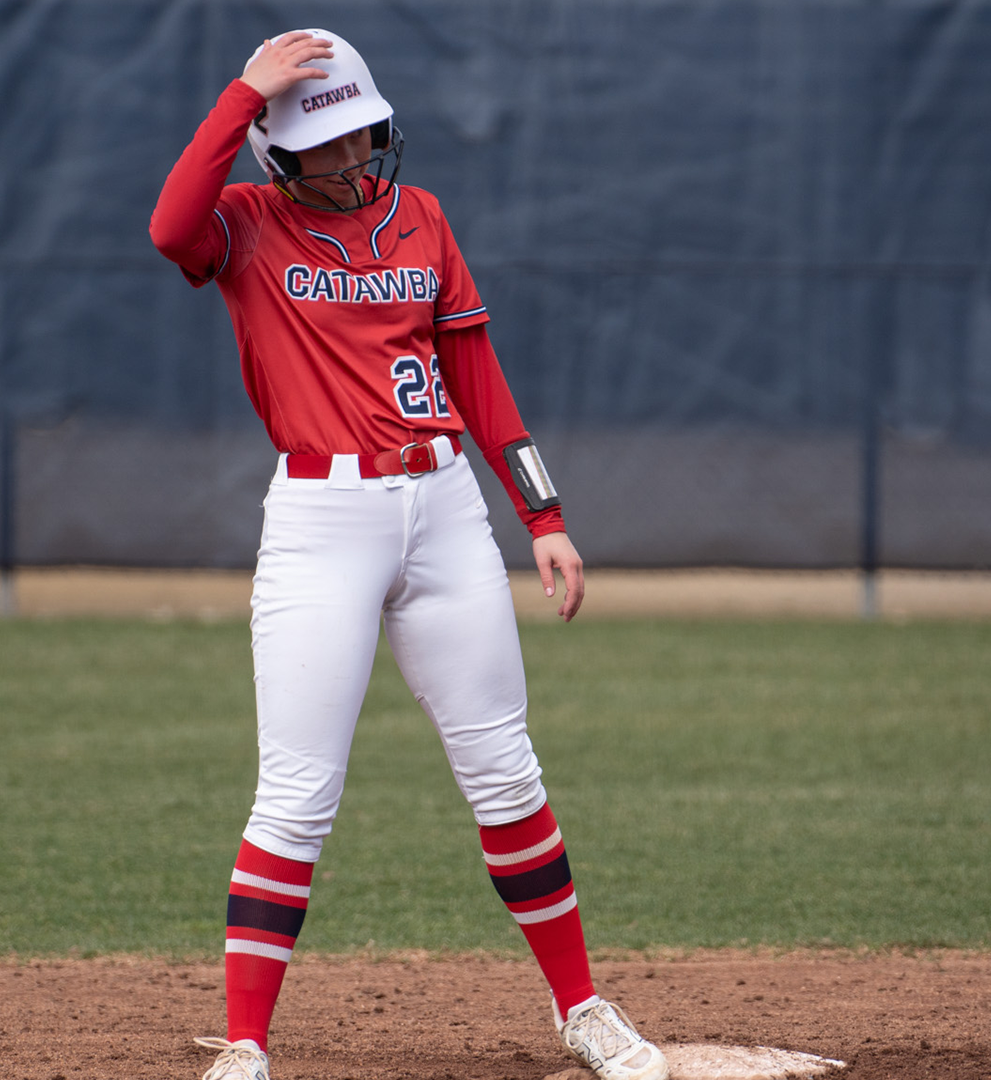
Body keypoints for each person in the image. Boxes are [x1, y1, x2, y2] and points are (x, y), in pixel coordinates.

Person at [150, 29, 668, 1080]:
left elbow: (476, 371)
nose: (348, 159)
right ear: (276, 154)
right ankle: (245, 1046)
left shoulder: (422, 216)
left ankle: (582, 1008)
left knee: (505, 771)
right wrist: (239, 97)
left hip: (443, 510)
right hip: (319, 523)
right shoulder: (245, 224)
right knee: (296, 794)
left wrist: (545, 515)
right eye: (323, 145)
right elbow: (169, 227)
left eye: (359, 135)